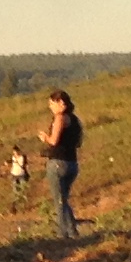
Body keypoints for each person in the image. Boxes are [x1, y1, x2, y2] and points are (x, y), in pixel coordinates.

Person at [36, 89, 85, 239]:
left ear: (60, 103)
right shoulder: (75, 120)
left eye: (52, 103)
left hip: (58, 163)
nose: (50, 107)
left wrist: (45, 138)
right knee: (63, 198)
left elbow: (54, 141)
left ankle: (62, 233)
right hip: (72, 163)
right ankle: (72, 231)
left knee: (58, 200)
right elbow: (79, 142)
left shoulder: (60, 118)